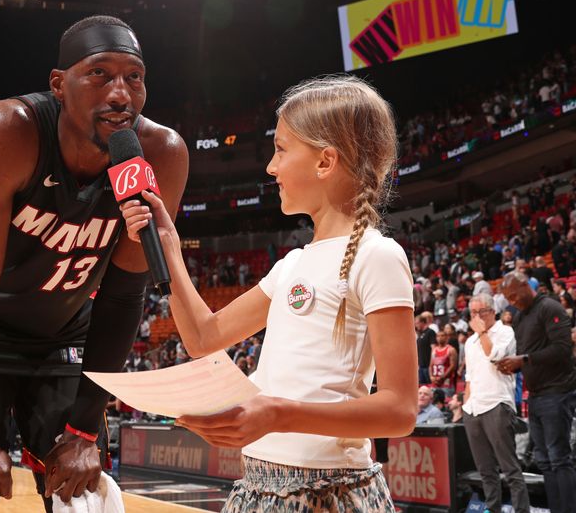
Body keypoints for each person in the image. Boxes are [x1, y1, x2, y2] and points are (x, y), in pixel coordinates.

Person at [0, 15, 187, 513]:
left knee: (83, 502)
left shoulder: (161, 153)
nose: (121, 94)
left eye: (134, 77)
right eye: (100, 74)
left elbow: (124, 295)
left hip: (65, 335)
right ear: (59, 85)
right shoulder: (8, 132)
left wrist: (83, 431)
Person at [121, 75, 416, 510]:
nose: (270, 167)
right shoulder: (291, 264)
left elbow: (400, 410)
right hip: (257, 484)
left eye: (280, 149)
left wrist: (279, 414)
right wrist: (168, 243)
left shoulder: (378, 256)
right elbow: (203, 337)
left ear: (325, 161)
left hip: (332, 491)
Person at [497, 271, 576, 513]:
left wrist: (525, 359)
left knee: (559, 458)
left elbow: (562, 349)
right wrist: (513, 365)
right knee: (543, 460)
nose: (512, 301)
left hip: (558, 391)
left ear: (524, 285)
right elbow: (526, 357)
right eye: (507, 298)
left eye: (514, 295)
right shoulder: (520, 318)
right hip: (536, 395)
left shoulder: (550, 307)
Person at [462, 293, 530, 513]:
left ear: (492, 311)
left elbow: (494, 355)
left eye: (481, 312)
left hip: (497, 404)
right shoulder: (470, 341)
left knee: (510, 469)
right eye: (473, 313)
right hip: (473, 408)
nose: (476, 317)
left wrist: (482, 331)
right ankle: (493, 510)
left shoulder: (505, 332)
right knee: (486, 471)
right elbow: (469, 378)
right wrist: (465, 405)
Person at [429, 328, 457, 395]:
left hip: (446, 383)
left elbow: (453, 366)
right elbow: (430, 365)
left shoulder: (451, 349)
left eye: (442, 336)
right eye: (438, 336)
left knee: (446, 401)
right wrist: (431, 376)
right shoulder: (434, 350)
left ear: (447, 337)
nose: (440, 338)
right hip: (435, 382)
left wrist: (443, 377)